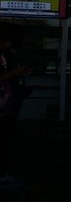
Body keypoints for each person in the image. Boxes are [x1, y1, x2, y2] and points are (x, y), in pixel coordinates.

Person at [0, 26, 31, 187]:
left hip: (7, 102)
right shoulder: (5, 56)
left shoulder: (8, 55)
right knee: (5, 139)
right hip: (5, 105)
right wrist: (15, 73)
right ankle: (3, 175)